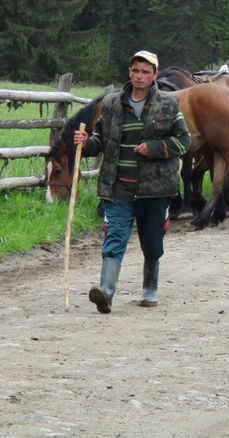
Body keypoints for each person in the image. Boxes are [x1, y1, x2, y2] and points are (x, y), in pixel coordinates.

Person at [73, 50, 191, 314]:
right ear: (130, 73)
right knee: (114, 237)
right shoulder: (112, 103)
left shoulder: (169, 105)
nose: (139, 76)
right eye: (135, 71)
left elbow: (184, 141)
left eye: (145, 72)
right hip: (118, 187)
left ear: (155, 76)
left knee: (151, 242)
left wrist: (155, 147)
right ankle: (106, 292)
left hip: (155, 189)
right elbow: (101, 140)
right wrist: (86, 144)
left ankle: (150, 290)